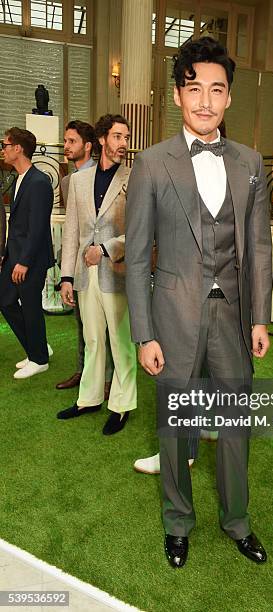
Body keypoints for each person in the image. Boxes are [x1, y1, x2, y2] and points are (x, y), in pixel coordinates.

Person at [126, 37, 272, 567]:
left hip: (232, 318)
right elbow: (138, 256)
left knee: (235, 429)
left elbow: (257, 250)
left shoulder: (251, 162)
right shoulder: (150, 162)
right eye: (195, 89)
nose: (205, 100)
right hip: (173, 316)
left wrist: (260, 318)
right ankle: (177, 522)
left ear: (230, 97)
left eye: (216, 89)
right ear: (177, 96)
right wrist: (144, 333)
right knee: (175, 427)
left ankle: (237, 522)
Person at [57, 114, 137, 436]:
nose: (124, 144)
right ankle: (89, 398)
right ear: (102, 139)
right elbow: (72, 233)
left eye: (127, 138)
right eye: (118, 137)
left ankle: (121, 404)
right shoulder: (77, 181)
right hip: (85, 276)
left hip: (117, 272)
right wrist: (66, 277)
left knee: (121, 344)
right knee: (92, 341)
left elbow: (141, 233)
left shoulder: (135, 178)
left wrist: (105, 249)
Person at [55, 120, 114, 399]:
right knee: (83, 325)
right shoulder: (68, 182)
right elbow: (73, 231)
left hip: (110, 264)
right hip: (81, 267)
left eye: (72, 141)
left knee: (112, 330)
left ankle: (108, 380)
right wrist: (67, 273)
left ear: (89, 146)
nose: (66, 146)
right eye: (65, 141)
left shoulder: (112, 176)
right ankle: (85, 373)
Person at [0, 128, 54, 379]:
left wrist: (23, 261)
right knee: (6, 301)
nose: (3, 149)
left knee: (31, 307)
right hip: (15, 256)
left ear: (18, 148)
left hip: (29, 260)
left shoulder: (40, 181)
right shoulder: (20, 178)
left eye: (6, 144)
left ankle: (39, 358)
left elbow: (37, 227)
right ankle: (38, 346)